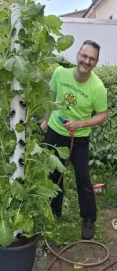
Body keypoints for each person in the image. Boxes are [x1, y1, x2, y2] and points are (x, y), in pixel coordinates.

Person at [41, 40, 108, 240]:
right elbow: (51, 98)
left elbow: (102, 115)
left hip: (78, 138)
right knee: (54, 174)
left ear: (96, 62)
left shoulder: (98, 88)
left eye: (92, 58)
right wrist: (45, 121)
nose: (87, 61)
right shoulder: (60, 73)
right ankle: (54, 210)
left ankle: (88, 219)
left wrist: (79, 124)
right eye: (84, 56)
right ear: (78, 55)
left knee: (83, 178)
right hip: (54, 130)